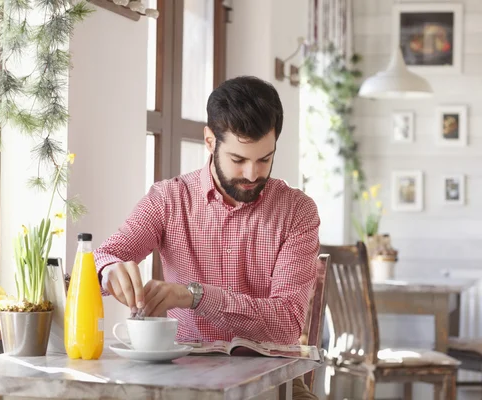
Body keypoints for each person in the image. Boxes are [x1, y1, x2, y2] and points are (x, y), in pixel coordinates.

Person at [95, 76, 320, 399]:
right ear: (210, 141)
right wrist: (109, 270)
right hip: (184, 377)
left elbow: (286, 324)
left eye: (264, 159)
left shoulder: (297, 211)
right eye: (238, 160)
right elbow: (104, 256)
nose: (252, 174)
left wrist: (195, 296)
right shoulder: (168, 199)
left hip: (271, 380)